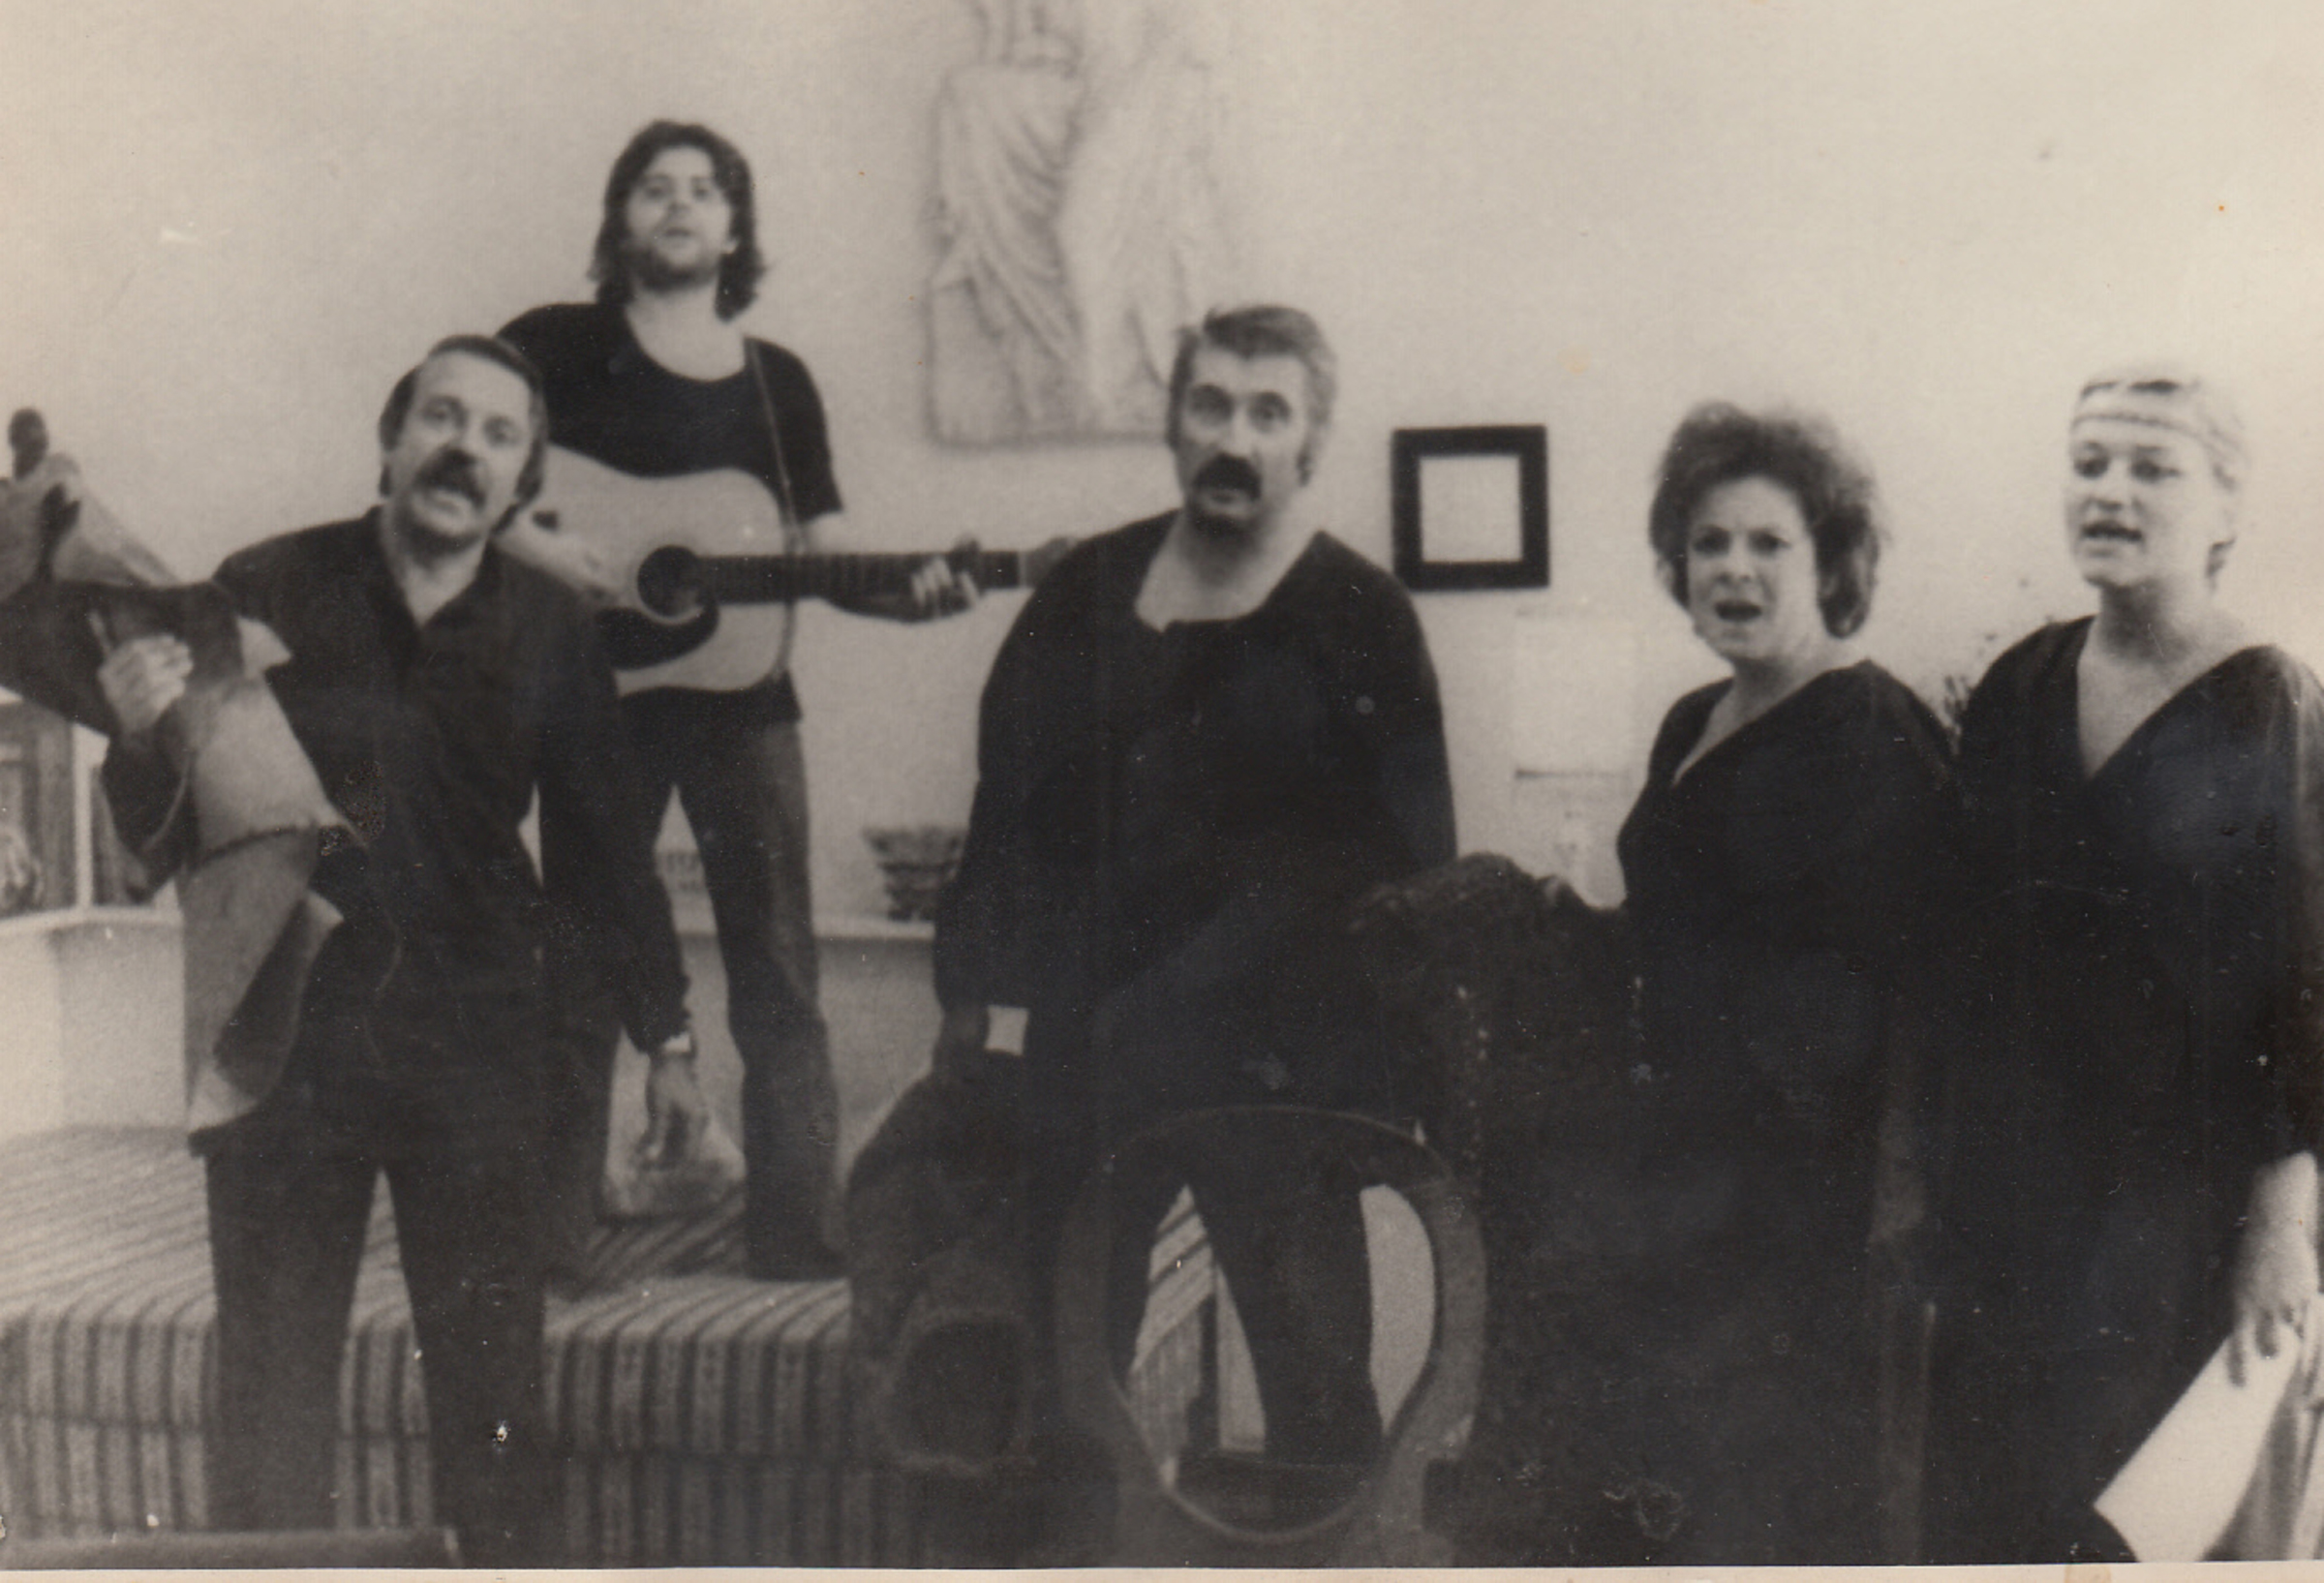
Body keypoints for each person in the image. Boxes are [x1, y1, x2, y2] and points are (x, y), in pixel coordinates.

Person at [95, 335, 709, 1565]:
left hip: (477, 1046)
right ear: (390, 439)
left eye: (497, 435)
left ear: (521, 480)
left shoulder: (551, 626)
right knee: (268, 1407)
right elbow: (164, 820)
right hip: (286, 1038)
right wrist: (135, 729)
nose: (463, 450)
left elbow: (603, 856)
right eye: (442, 416)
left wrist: (671, 1039)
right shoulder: (263, 587)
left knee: (494, 1413)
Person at [933, 304, 1457, 1524]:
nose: (1235, 436)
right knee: (1062, 1395)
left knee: (1317, 1402)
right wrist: (974, 997)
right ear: (1172, 422)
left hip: (1276, 1070)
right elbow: (1004, 807)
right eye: (1211, 403)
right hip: (1089, 1054)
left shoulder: (1362, 616)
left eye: (1270, 412)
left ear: (1311, 442)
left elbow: (1407, 864)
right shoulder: (1084, 592)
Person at [501, 121, 970, 1282]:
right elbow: (457, 474)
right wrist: (542, 551)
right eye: (653, 187)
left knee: (779, 971)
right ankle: (549, 1243)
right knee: (577, 966)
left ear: (733, 229)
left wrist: (908, 594)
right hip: (595, 698)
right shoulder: (550, 347)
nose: (679, 204)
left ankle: (797, 1236)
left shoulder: (776, 382)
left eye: (704, 190)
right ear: (619, 219)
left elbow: (826, 549)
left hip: (743, 698)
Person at [1520, 404, 1957, 1565]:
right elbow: (1687, 929)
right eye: (1709, 542)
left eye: (1769, 543)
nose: (1733, 569)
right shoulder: (1691, 719)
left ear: (1832, 562)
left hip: (1789, 1219)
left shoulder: (1873, 736)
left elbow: (1888, 1007)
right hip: (1671, 1188)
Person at [1925, 369, 2324, 1562]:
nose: (2111, 491)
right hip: (2010, 1195)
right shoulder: (2019, 685)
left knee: (2133, 1532)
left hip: (2177, 1212)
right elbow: (1959, 954)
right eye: (2090, 462)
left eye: (2153, 467)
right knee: (1991, 1520)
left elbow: (2306, 985)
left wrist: (2282, 1222)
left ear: (2225, 510)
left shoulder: (2271, 704)